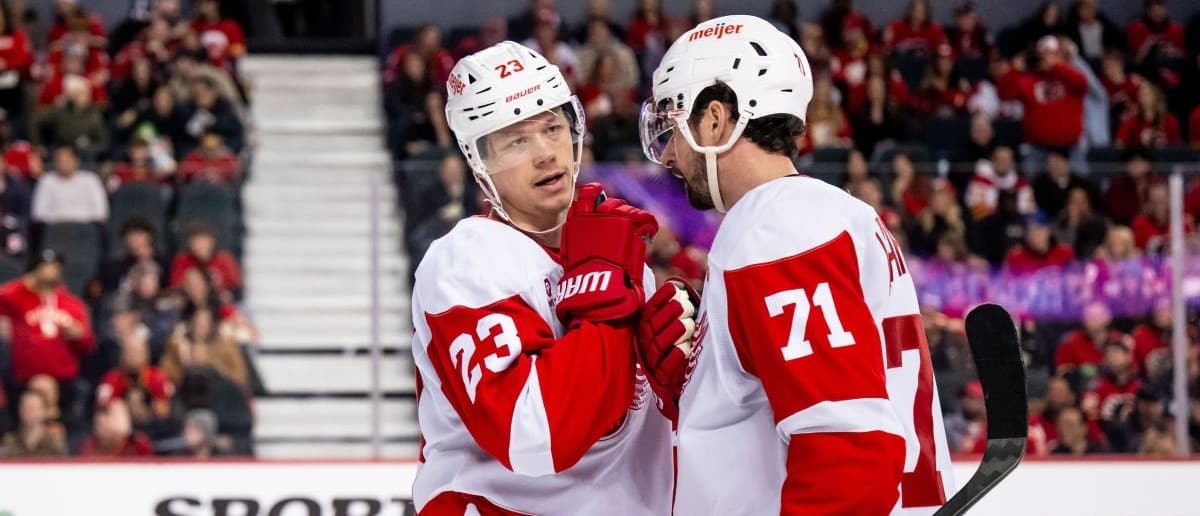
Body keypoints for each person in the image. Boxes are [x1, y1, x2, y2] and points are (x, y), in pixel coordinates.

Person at [640, 15, 952, 514]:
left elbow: (848, 451)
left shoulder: (774, 230)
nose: (670, 155)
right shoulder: (837, 214)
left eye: (673, 129)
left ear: (716, 120)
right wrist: (706, 383)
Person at [410, 41, 674, 514]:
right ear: (479, 161)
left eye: (553, 127)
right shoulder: (465, 261)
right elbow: (535, 437)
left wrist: (681, 382)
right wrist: (602, 296)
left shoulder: (613, 246)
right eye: (516, 140)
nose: (546, 153)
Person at [30, 145, 108, 224]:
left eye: (67, 160)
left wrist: (78, 221)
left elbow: (100, 212)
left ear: (76, 161)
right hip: (55, 229)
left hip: (85, 229)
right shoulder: (46, 181)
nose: (63, 164)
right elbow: (38, 213)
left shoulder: (91, 180)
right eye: (60, 161)